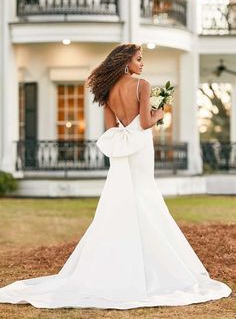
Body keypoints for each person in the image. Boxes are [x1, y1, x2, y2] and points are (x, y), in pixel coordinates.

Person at [0, 44, 232, 309]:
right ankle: (152, 264)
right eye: (139, 59)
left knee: (126, 198)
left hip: (122, 150)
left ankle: (119, 261)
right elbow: (145, 123)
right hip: (141, 147)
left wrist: (140, 120)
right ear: (126, 61)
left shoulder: (107, 91)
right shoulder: (142, 84)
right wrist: (161, 110)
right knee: (145, 195)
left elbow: (112, 130)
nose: (142, 64)